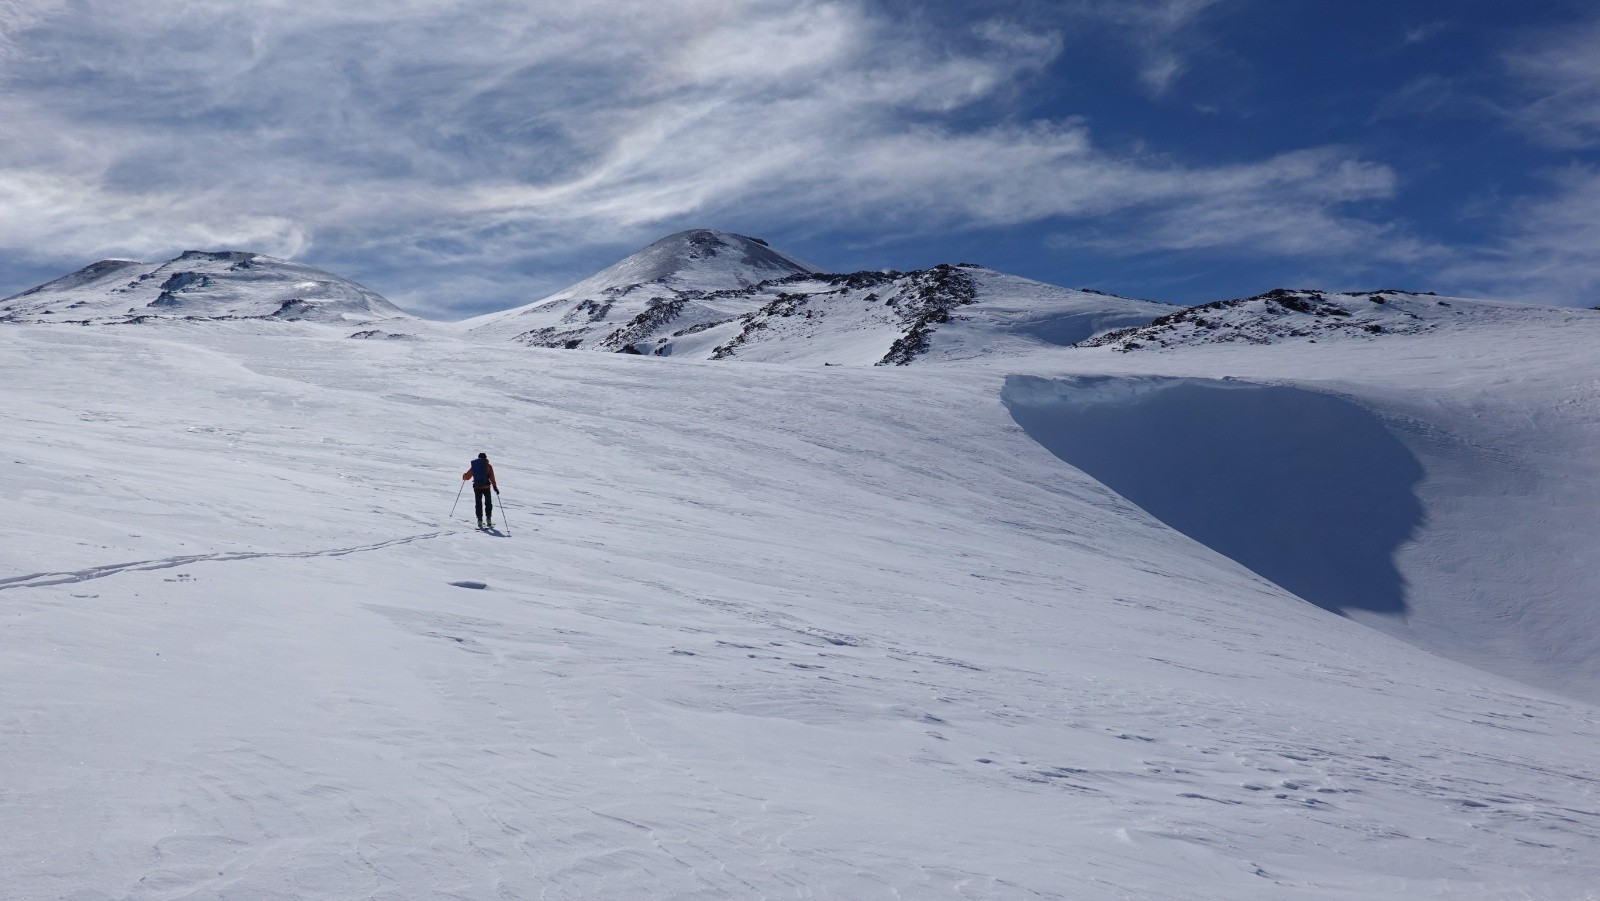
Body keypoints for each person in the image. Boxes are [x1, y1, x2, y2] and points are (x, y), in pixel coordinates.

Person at [462, 452, 499, 528]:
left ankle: (479, 521)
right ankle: (488, 520)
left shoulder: (475, 466)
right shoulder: (488, 466)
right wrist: (495, 487)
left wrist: (464, 477)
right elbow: (492, 477)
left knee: (478, 503)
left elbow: (467, 477)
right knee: (488, 503)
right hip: (486, 487)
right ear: (486, 458)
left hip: (477, 487)